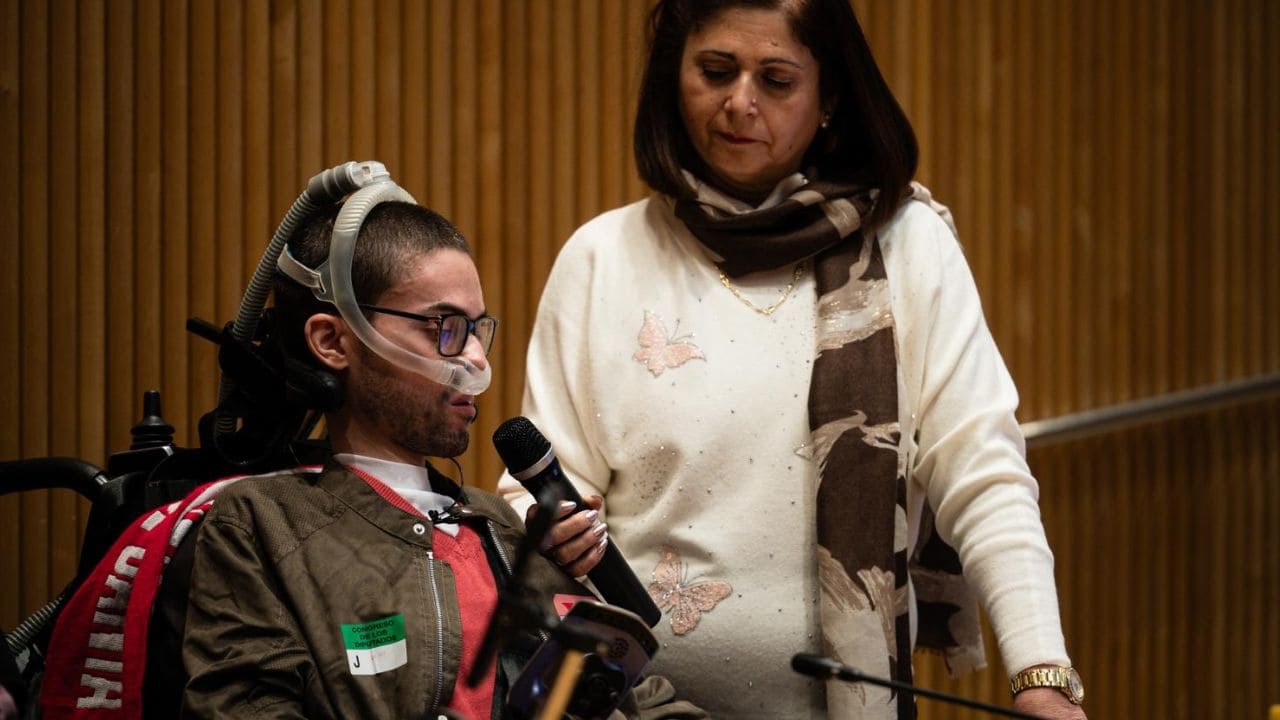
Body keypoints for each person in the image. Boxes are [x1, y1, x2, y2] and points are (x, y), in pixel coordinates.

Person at [499, 1, 1087, 719]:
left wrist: (1040, 672)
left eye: (776, 80)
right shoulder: (602, 257)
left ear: (829, 97)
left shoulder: (909, 246)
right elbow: (531, 492)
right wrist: (546, 519)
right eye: (715, 72)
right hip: (632, 704)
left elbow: (984, 471)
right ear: (672, 78)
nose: (739, 103)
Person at [180, 199, 705, 719]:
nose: (476, 359)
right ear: (333, 340)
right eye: (445, 328)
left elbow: (637, 698)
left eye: (477, 329)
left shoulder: (507, 529)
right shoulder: (261, 525)